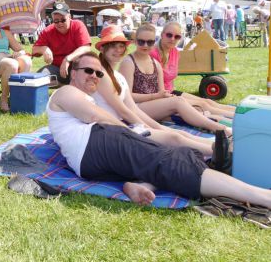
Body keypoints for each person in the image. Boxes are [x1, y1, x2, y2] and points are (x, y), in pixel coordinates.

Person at [47, 52, 271, 208]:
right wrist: (133, 132)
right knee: (171, 162)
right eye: (88, 70)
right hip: (95, 143)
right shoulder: (66, 92)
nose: (94, 76)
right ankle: (263, 197)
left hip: (91, 160)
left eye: (99, 73)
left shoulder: (79, 95)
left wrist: (138, 131)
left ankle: (138, 185)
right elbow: (95, 116)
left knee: (171, 154)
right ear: (72, 73)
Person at [93, 26, 216, 157]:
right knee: (174, 138)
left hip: (126, 122)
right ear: (102, 48)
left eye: (121, 46)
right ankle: (221, 153)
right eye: (112, 46)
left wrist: (157, 127)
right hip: (111, 129)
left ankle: (217, 144)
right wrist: (149, 127)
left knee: (177, 133)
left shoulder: (117, 76)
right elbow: (123, 110)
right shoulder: (102, 74)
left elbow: (133, 109)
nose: (118, 50)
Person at [119, 23, 231, 136]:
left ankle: (224, 122)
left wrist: (164, 96)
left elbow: (161, 91)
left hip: (153, 103)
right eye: (141, 41)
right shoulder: (129, 63)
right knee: (182, 103)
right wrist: (159, 96)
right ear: (134, 41)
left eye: (150, 42)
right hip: (136, 107)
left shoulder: (156, 63)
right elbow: (127, 97)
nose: (145, 45)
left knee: (197, 108)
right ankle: (219, 128)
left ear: (154, 42)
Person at [149, 21, 235, 121]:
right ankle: (237, 118)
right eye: (169, 35)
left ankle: (239, 111)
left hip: (170, 92)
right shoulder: (153, 54)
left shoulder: (174, 52)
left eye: (177, 37)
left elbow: (169, 79)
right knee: (203, 106)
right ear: (162, 35)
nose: (172, 39)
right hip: (160, 97)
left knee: (208, 102)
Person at [32, 1, 91, 85]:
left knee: (80, 81)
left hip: (77, 67)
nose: (60, 23)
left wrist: (68, 59)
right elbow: (34, 50)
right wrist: (44, 49)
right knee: (38, 79)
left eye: (63, 20)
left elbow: (86, 48)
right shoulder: (48, 31)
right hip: (56, 68)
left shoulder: (78, 25)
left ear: (69, 17)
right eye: (56, 21)